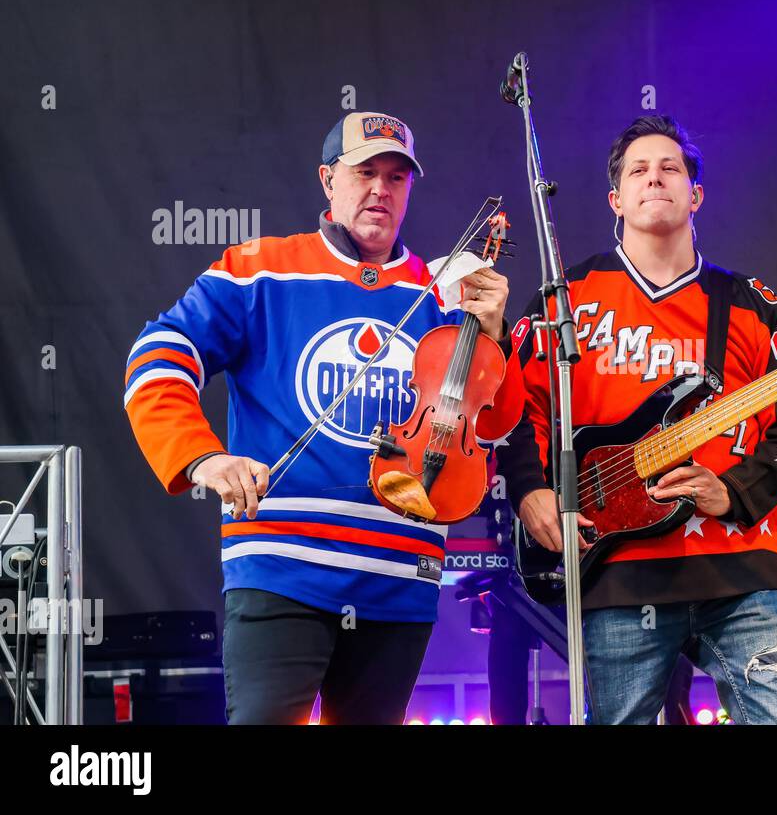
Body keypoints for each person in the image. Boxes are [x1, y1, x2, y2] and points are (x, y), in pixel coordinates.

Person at [124, 111, 522, 724]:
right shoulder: (259, 269)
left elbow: (491, 432)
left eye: (396, 177)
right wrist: (202, 457)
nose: (380, 190)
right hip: (280, 570)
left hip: (400, 579)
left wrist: (493, 343)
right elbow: (157, 356)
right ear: (327, 180)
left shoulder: (448, 293)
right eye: (364, 172)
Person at [496, 115, 777, 724]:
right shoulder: (565, 299)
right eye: (637, 170)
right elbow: (516, 406)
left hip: (740, 572)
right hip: (618, 574)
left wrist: (734, 493)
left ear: (695, 194)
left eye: (671, 167)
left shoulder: (750, 304)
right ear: (616, 198)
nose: (655, 179)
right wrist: (529, 490)